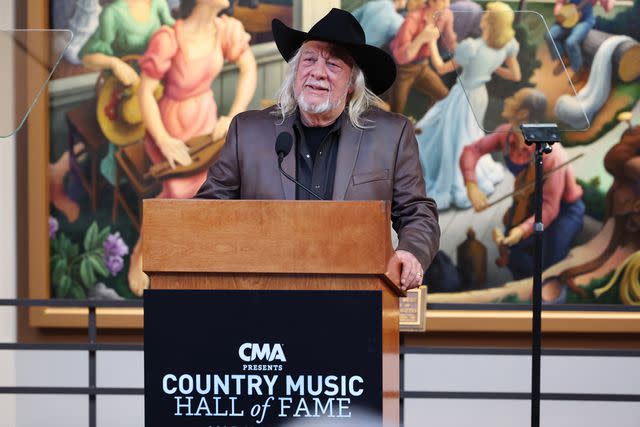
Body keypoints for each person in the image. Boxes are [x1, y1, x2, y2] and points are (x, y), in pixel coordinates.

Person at [195, 8, 440, 291]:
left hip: (356, 299)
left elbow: (417, 211)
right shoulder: (248, 132)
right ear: (296, 72)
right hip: (262, 299)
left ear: (351, 84)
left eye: (334, 65)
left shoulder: (391, 135)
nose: (317, 72)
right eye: (309, 60)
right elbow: (206, 212)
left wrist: (411, 252)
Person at [128, 0, 257, 295]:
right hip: (170, 127)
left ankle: (192, 256)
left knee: (211, 189)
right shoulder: (169, 37)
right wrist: (162, 139)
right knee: (176, 191)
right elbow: (144, 91)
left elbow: (249, 68)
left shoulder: (225, 30)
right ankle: (144, 249)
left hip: (207, 124)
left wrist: (233, 114)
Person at [460, 88, 584, 280]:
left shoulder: (553, 154)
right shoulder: (506, 133)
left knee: (545, 268)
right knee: (513, 252)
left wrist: (522, 230)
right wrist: (471, 185)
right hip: (527, 201)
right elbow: (472, 150)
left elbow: (550, 207)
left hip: (563, 210)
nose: (509, 99)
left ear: (523, 113)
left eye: (514, 98)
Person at [414, 1, 521, 210]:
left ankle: (454, 180)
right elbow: (515, 75)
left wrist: (431, 43)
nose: (483, 16)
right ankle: (468, 173)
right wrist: (492, 68)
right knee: (467, 135)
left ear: (489, 21)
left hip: (463, 96)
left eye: (487, 15)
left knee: (451, 136)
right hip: (481, 95)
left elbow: (441, 67)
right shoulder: (507, 44)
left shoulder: (473, 47)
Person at [388, 0, 457, 114]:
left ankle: (427, 124)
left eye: (448, 1)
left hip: (423, 66)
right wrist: (421, 38)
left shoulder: (445, 14)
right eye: (443, 1)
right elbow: (401, 57)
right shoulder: (412, 19)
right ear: (431, 2)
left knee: (444, 96)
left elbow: (449, 42)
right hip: (403, 69)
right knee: (396, 110)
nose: (447, 5)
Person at [545, 0, 615, 80]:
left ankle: (578, 70)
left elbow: (607, 8)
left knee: (571, 42)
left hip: (585, 20)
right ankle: (564, 59)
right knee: (549, 36)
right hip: (568, 18)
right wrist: (559, 13)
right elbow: (560, 3)